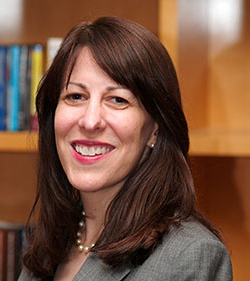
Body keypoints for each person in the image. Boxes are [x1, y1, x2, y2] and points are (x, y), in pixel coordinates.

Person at [18, 16, 233, 281]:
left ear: (155, 127)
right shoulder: (51, 243)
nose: (90, 120)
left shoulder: (190, 256)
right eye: (75, 96)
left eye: (117, 100)